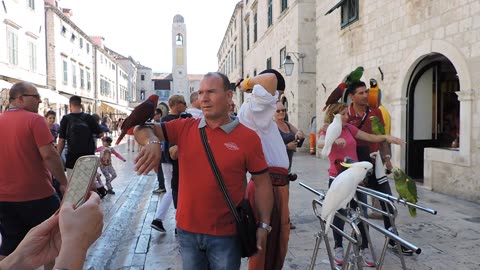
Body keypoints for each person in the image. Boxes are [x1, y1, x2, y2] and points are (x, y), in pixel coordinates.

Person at [134, 72, 273, 270]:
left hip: (226, 234)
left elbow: (262, 183)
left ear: (228, 96)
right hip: (187, 232)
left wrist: (264, 225)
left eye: (211, 92)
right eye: (200, 93)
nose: (204, 98)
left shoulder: (248, 138)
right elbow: (141, 129)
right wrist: (153, 141)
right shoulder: (185, 127)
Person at [318, 102, 403, 267]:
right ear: (334, 115)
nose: (346, 116)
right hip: (337, 179)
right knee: (339, 214)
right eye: (342, 114)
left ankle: (364, 247)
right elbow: (321, 143)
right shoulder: (327, 129)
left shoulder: (350, 128)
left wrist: (387, 138)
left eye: (345, 113)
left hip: (357, 180)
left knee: (361, 213)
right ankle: (338, 248)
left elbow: (370, 137)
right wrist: (335, 141)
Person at [0, 82, 68, 270]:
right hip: (38, 195)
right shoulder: (35, 120)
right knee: (52, 241)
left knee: (9, 244)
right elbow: (49, 155)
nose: (39, 100)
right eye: (35, 96)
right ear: (20, 98)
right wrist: (64, 182)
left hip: (4, 197)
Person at [346, 81, 413, 255]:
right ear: (351, 96)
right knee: (359, 205)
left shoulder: (375, 112)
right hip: (355, 165)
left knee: (387, 201)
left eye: (365, 92)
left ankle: (393, 239)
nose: (365, 95)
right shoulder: (346, 114)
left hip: (375, 162)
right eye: (360, 93)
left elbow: (381, 137)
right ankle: (362, 241)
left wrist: (387, 159)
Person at [236, 70, 290, 270]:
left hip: (276, 184)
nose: (277, 102)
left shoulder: (259, 111)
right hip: (269, 185)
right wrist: (246, 84)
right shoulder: (256, 108)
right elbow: (270, 79)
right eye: (277, 95)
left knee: (275, 247)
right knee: (264, 250)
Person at [0, 193, 103, 270]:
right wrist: (75, 245)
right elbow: (51, 163)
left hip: (4, 196)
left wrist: (18, 260)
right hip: (39, 195)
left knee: (9, 241)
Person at [150, 95, 187, 232]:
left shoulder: (165, 120)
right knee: (174, 190)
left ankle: (160, 220)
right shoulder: (173, 120)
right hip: (172, 160)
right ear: (176, 104)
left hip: (166, 160)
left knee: (172, 190)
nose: (185, 105)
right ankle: (163, 220)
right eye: (183, 103)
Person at [57, 96, 103, 178]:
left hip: (72, 158)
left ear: (70, 105)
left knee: (73, 184)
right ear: (80, 105)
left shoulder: (66, 119)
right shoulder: (89, 118)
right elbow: (100, 134)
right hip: (88, 157)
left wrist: (57, 156)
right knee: (88, 184)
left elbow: (61, 140)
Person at [274, 102, 304, 172]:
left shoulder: (287, 124)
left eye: (283, 110)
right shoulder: (272, 127)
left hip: (288, 162)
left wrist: (299, 132)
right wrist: (287, 146)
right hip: (277, 165)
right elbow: (271, 148)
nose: (281, 112)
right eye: (278, 111)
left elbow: (298, 131)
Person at [152, 109, 166, 194]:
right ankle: (162, 185)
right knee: (159, 168)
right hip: (158, 148)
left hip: (162, 149)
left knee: (160, 168)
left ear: (160, 114)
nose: (154, 116)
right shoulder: (154, 123)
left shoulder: (162, 124)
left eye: (156, 114)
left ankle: (162, 186)